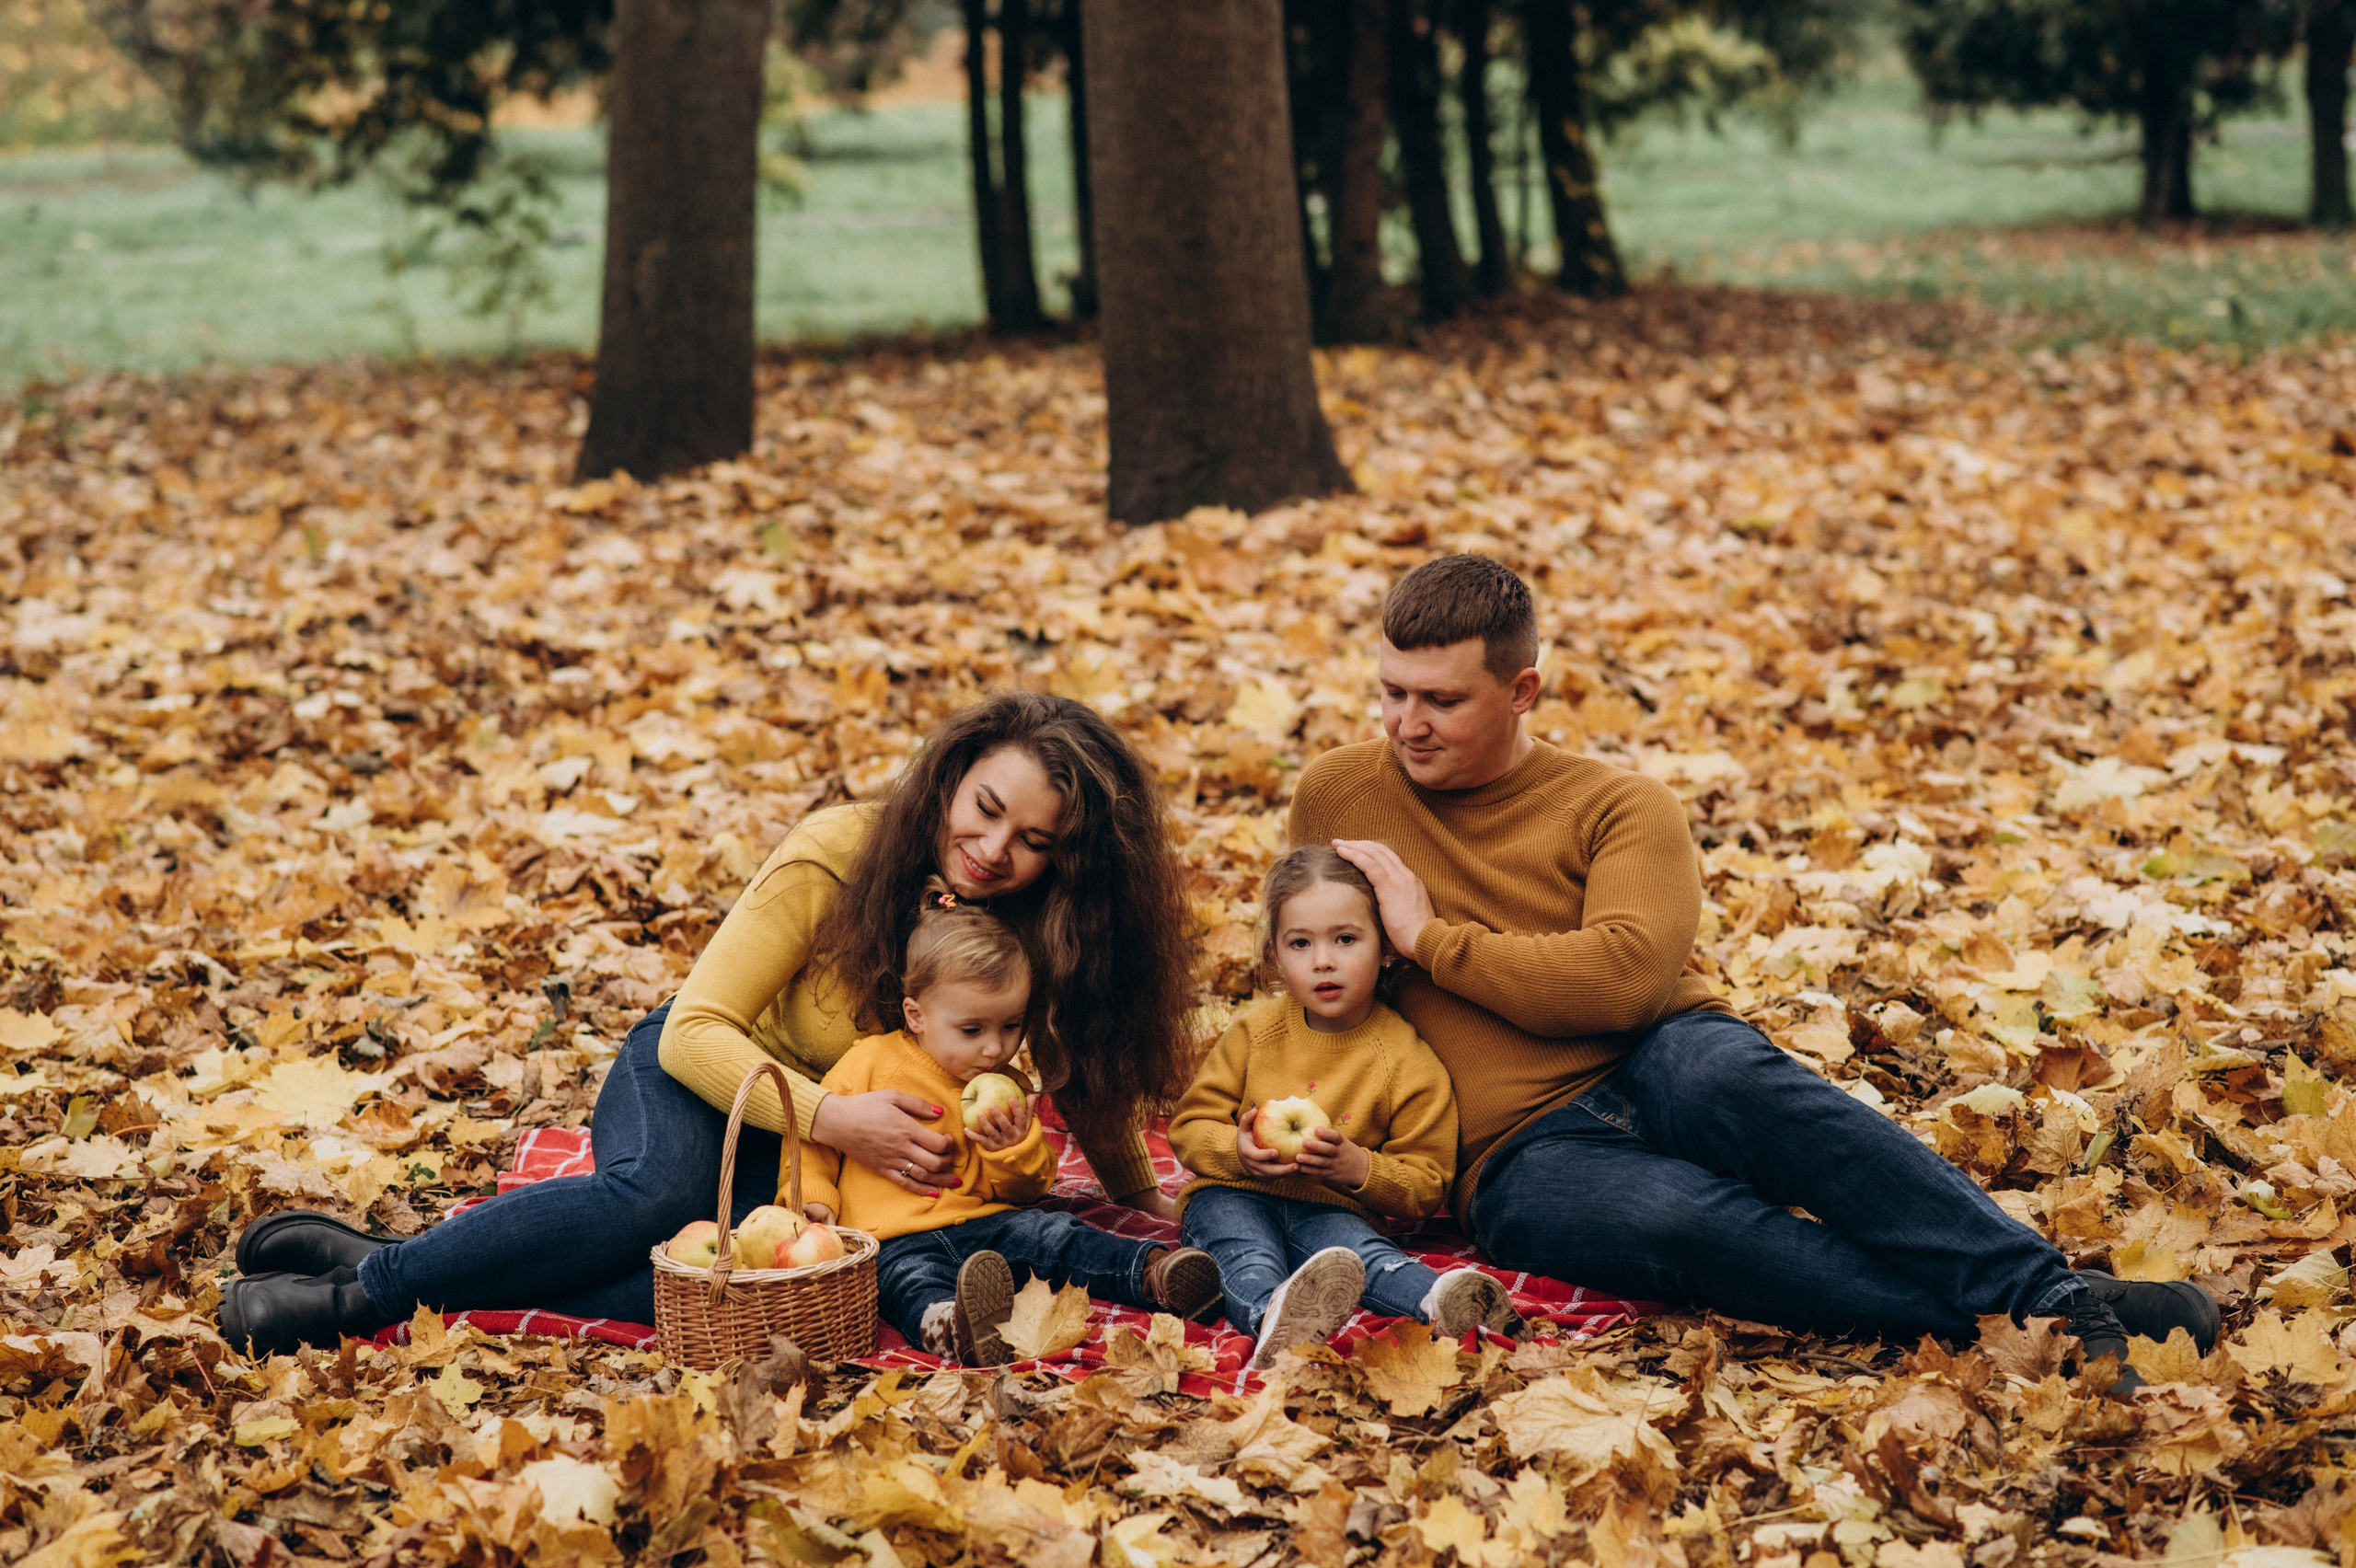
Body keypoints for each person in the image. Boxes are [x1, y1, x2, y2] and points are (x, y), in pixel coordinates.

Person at [1288, 554, 2218, 1398]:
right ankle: (2056, 1325)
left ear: (1522, 688)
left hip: (1660, 1055)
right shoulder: (1339, 795)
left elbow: (1618, 987)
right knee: (1682, 1222)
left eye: (1439, 701)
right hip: (1511, 1152)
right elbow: (1322, 970)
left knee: (1732, 1079)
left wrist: (1428, 936)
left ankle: (2039, 1289)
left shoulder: (1621, 807)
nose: (1406, 724)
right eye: (1391, 693)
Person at [220, 692, 1200, 1353]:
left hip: (819, 1166)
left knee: (758, 1287)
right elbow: (697, 1029)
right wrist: (833, 1119)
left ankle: (378, 1257)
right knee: (659, 1203)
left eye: (1034, 842)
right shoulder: (840, 853)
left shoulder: (1044, 922)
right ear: (950, 775)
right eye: (984, 810)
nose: (993, 850)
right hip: (706, 1076)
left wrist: (1138, 1195)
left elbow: (1088, 1072)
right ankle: (365, 1295)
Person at [802, 881, 1221, 1363]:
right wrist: (815, 1199)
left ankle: (1156, 1274)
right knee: (905, 1285)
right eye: (972, 1030)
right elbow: (814, 1137)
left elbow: (1029, 1188)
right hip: (891, 1238)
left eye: (1010, 1026)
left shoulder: (1010, 1085)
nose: (994, 1048)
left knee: (1056, 1236)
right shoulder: (869, 1064)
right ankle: (952, 1325)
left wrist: (1014, 1147)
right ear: (916, 1015)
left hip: (989, 1223)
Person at [1171, 846, 1521, 1370]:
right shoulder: (1254, 1034)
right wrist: (1237, 1149)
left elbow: (1427, 1183)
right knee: (1244, 1253)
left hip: (1333, 1209)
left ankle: (1444, 1304)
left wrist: (1358, 1168)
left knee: (1369, 1258)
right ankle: (1274, 1316)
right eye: (1300, 943)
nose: (1323, 960)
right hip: (1234, 1193)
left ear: (1385, 949)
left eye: (1346, 939)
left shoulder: (1406, 1059)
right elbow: (1190, 1126)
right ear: (1276, 955)